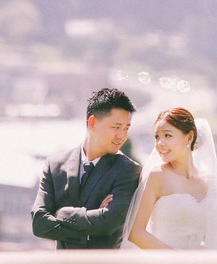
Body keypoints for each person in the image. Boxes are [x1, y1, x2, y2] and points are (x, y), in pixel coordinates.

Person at [31, 87, 141, 249]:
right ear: (93, 123)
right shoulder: (55, 164)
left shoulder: (128, 170)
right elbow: (39, 224)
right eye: (116, 127)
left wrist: (61, 213)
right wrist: (93, 217)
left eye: (126, 128)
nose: (122, 136)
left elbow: (110, 222)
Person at [122, 107, 217, 250]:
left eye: (167, 136)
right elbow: (136, 233)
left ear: (189, 137)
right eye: (157, 137)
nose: (160, 143)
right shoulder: (156, 176)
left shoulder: (209, 182)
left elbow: (209, 238)